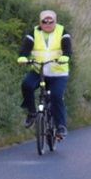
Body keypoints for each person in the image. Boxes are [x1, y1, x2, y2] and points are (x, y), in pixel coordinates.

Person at [17, 9, 72, 139]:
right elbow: (25, 49)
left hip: (58, 73)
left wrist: (65, 56)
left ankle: (61, 126)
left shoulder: (62, 32)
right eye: (44, 21)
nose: (47, 24)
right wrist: (22, 57)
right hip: (39, 70)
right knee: (27, 85)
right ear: (40, 22)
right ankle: (31, 112)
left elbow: (67, 48)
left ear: (55, 21)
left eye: (50, 21)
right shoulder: (34, 32)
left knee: (56, 96)